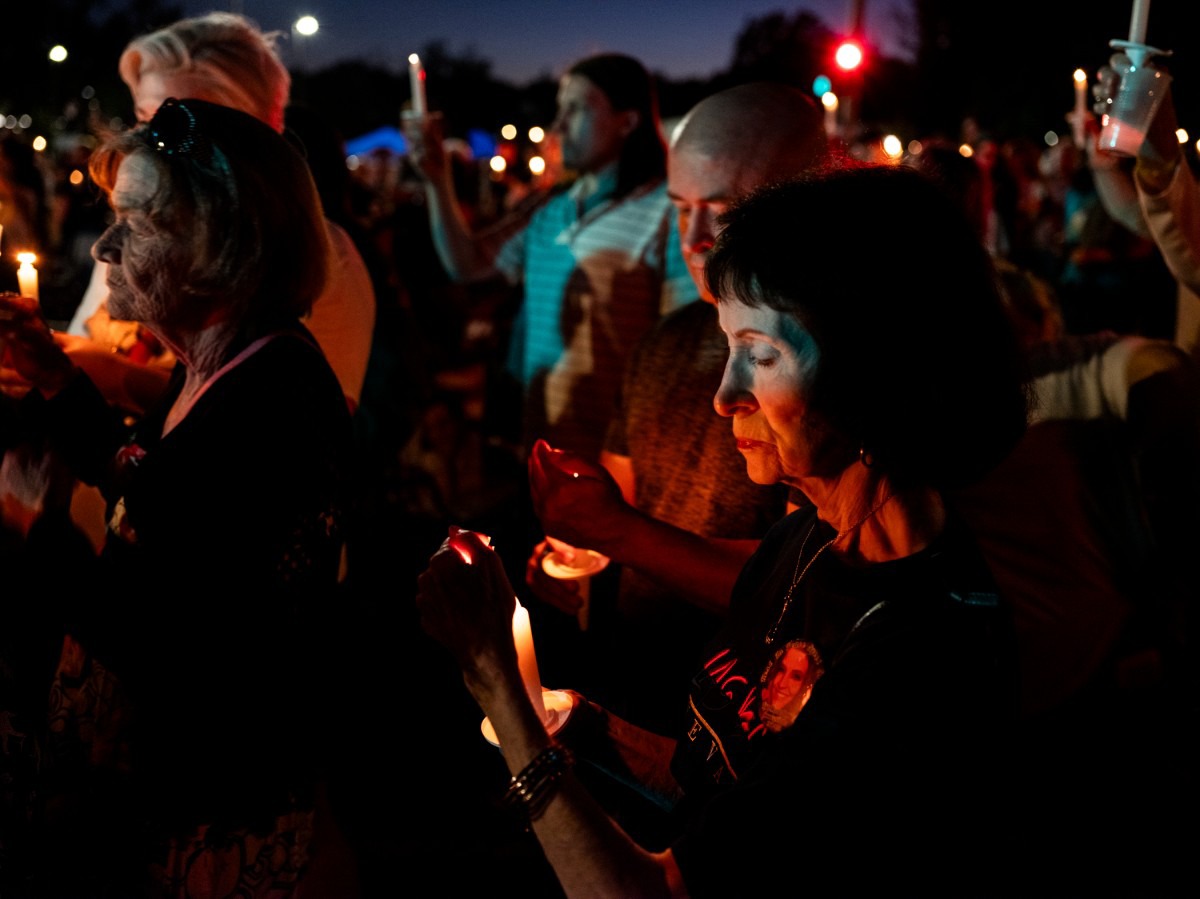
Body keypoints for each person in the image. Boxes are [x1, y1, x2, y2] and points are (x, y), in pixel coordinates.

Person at [416, 165, 1034, 896]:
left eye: (760, 354)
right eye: (727, 348)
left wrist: (500, 693)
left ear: (873, 369)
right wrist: (579, 725)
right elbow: (722, 782)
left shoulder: (919, 655)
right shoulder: (811, 540)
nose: (723, 396)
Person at [0, 99, 356, 896]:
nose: (104, 245)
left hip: (207, 807)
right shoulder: (216, 365)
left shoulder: (274, 403)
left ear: (228, 244)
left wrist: (32, 529)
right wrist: (60, 385)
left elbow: (167, 632)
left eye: (138, 221)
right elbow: (155, 487)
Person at [524, 83, 832, 733]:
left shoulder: (820, 367)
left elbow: (801, 581)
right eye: (680, 207)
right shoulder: (662, 342)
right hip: (634, 686)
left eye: (722, 211)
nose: (692, 238)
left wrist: (617, 532)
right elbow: (620, 500)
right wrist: (575, 544)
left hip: (748, 714)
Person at [64, 11, 376, 415]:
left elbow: (295, 429)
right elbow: (88, 335)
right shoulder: (133, 237)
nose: (145, 142)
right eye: (143, 120)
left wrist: (117, 378)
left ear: (250, 131)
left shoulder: (312, 257)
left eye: (173, 127)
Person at [405, 52, 696, 461]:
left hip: (625, 462)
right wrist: (437, 181)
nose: (558, 125)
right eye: (560, 109)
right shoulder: (547, 209)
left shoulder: (668, 214)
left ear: (627, 122)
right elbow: (468, 264)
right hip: (544, 449)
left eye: (576, 109)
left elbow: (683, 350)